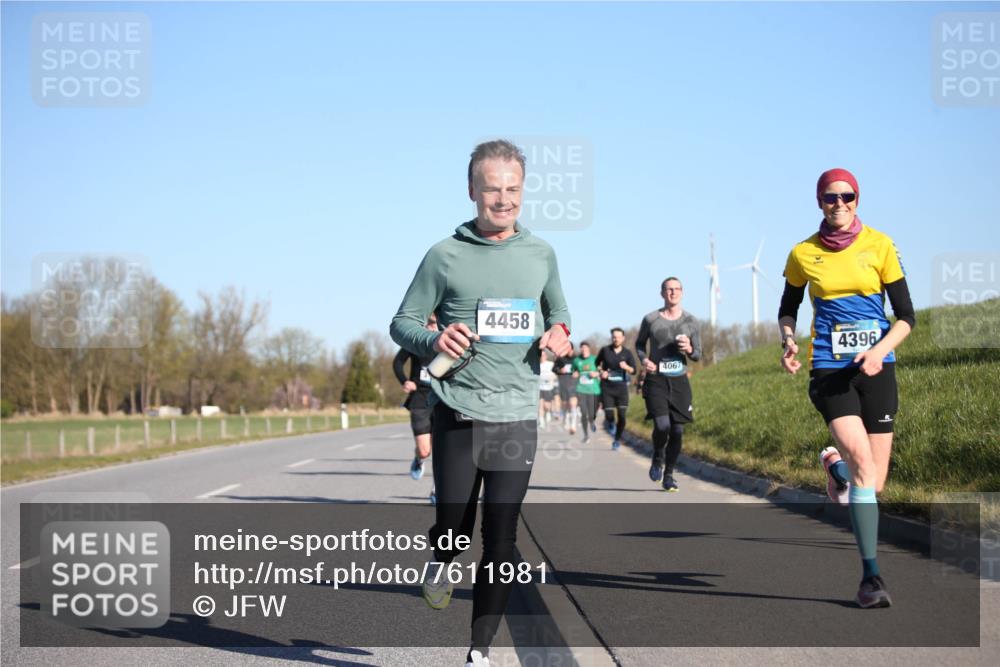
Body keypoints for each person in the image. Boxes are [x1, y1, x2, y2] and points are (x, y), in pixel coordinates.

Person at [390, 139, 572, 667]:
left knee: (501, 538)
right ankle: (442, 555)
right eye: (492, 188)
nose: (503, 199)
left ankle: (479, 651)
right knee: (454, 526)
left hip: (515, 415)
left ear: (524, 189)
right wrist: (434, 339)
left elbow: (559, 312)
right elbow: (402, 322)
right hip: (458, 411)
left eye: (512, 188)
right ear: (472, 190)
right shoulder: (444, 256)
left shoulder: (541, 254)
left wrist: (559, 335)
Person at [779, 168, 914, 609]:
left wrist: (879, 351)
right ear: (819, 202)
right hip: (830, 369)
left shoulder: (880, 245)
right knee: (864, 466)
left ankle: (835, 469)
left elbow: (907, 317)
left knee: (874, 483)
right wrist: (788, 341)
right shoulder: (803, 253)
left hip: (878, 368)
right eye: (830, 197)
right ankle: (870, 577)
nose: (839, 203)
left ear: (858, 199)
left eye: (847, 196)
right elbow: (788, 307)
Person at [635, 277, 701, 492]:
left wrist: (689, 348)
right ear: (662, 293)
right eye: (668, 289)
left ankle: (669, 475)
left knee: (678, 431)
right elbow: (639, 345)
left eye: (676, 289)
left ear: (682, 292)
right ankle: (657, 457)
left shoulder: (691, 321)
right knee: (662, 425)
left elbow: (697, 355)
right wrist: (644, 360)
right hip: (656, 380)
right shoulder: (651, 319)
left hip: (679, 381)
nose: (673, 292)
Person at [392, 314, 440, 504]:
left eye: (435, 323)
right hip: (420, 399)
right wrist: (405, 381)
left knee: (442, 450)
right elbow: (397, 363)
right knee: (425, 450)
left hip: (442, 398)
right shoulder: (416, 342)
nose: (432, 327)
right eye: (429, 323)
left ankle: (437, 490)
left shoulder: (447, 341)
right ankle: (419, 459)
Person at [597, 327, 636, 450]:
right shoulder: (605, 350)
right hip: (607, 387)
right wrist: (601, 372)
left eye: (618, 337)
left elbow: (634, 370)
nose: (616, 339)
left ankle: (617, 439)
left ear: (623, 338)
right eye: (614, 337)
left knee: (622, 417)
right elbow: (596, 364)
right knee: (609, 415)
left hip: (621, 388)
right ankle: (610, 424)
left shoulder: (627, 353)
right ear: (611, 337)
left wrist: (626, 367)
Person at [572, 341, 601, 442]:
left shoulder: (595, 359)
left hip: (594, 390)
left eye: (585, 348)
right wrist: (574, 374)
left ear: (589, 349)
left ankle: (592, 421)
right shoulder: (576, 360)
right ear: (580, 349)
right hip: (581, 389)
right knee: (583, 413)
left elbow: (601, 370)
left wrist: (596, 373)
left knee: (592, 413)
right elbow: (573, 371)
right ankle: (586, 435)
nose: (583, 350)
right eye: (582, 348)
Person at [554, 342, 578, 434]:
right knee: (565, 404)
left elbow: (582, 369)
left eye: (570, 349)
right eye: (567, 349)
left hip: (574, 384)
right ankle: (566, 419)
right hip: (563, 383)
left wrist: (578, 373)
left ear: (572, 349)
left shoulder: (577, 359)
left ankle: (573, 425)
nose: (569, 351)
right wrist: (559, 370)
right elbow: (554, 369)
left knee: (572, 404)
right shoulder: (561, 359)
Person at [538, 350, 557, 429]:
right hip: (539, 388)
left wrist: (552, 377)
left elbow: (556, 373)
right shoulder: (538, 365)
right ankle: (542, 422)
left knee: (547, 406)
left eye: (543, 355)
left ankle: (548, 412)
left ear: (546, 356)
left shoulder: (550, 364)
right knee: (540, 406)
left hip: (548, 388)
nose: (542, 357)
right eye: (541, 355)